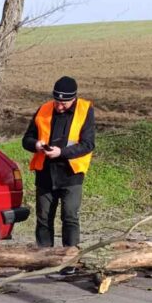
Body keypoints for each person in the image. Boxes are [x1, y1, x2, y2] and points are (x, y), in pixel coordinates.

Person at [22, 76, 95, 268]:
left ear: (74, 98)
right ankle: (44, 260)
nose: (59, 106)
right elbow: (26, 139)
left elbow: (88, 144)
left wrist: (61, 152)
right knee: (43, 219)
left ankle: (69, 262)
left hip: (71, 174)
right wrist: (36, 145)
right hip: (45, 173)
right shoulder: (44, 109)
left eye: (64, 103)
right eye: (57, 101)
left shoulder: (85, 110)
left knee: (70, 217)